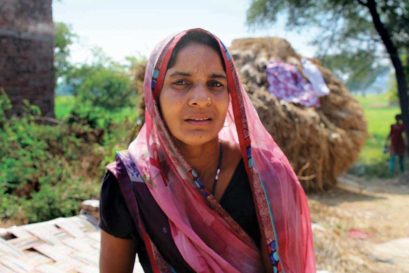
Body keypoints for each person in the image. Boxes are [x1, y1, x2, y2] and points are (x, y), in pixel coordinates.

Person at [99, 28, 315, 273]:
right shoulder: (130, 182)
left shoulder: (270, 176)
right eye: (181, 82)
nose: (202, 99)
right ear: (155, 95)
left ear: (230, 95)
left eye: (215, 83)